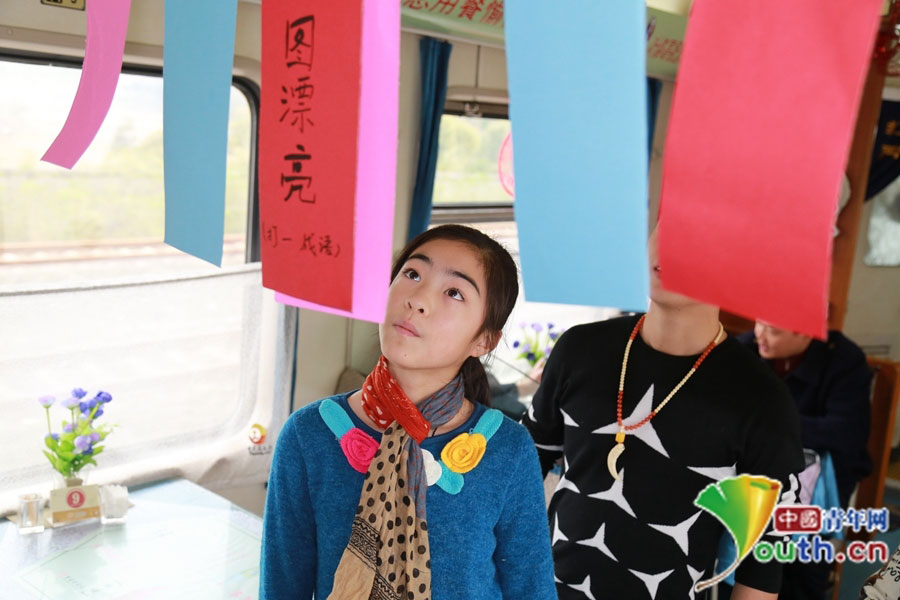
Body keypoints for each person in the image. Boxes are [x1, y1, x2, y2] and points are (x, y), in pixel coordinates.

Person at [260, 224, 557, 600]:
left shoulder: (508, 449)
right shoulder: (308, 435)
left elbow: (532, 590)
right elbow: (282, 587)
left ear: (484, 340)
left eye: (454, 292)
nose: (418, 299)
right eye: (412, 274)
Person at [522, 225, 805, 599]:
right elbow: (520, 472)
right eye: (667, 229)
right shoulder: (580, 348)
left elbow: (762, 568)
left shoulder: (762, 400)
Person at [739, 320, 873, 600]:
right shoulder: (743, 349)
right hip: (751, 472)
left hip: (821, 482)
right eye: (758, 324)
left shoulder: (844, 359)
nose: (759, 335)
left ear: (806, 330)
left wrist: (768, 423)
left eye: (773, 330)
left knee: (802, 567)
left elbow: (843, 434)